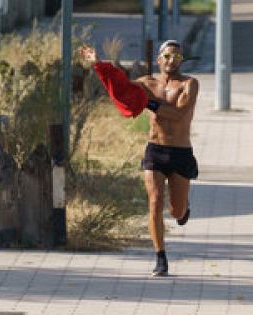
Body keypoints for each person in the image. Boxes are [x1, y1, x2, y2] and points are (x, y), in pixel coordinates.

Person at [80, 40, 200, 277]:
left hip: (180, 152)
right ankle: (160, 257)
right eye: (167, 56)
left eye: (176, 57)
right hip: (155, 149)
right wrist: (100, 65)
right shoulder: (147, 83)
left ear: (181, 60)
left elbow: (178, 113)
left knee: (176, 211)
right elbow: (122, 88)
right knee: (154, 201)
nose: (171, 61)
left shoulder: (190, 84)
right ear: (158, 59)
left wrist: (150, 102)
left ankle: (183, 211)